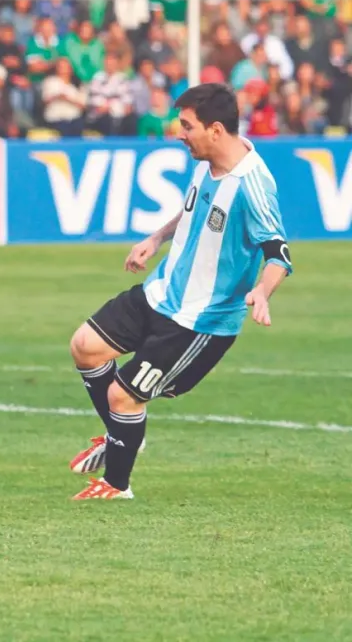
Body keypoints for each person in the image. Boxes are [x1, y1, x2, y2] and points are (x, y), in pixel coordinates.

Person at [67, 83, 293, 500]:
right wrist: (156, 238)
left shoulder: (252, 185)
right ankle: (123, 433)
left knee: (123, 396)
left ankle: (117, 484)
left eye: (187, 126)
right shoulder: (208, 160)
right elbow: (194, 208)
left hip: (198, 321)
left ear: (215, 129)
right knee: (85, 346)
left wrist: (263, 290)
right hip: (162, 292)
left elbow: (278, 252)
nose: (179, 134)